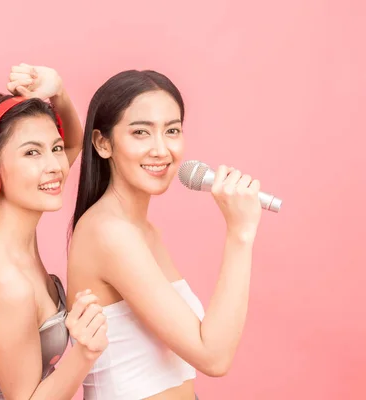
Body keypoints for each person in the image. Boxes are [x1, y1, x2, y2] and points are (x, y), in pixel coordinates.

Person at [66, 69, 264, 400]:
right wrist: (240, 233)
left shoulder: (142, 231)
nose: (161, 150)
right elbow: (213, 357)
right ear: (103, 143)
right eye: (141, 132)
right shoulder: (109, 233)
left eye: (171, 130)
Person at [0, 63, 108, 400]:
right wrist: (85, 353)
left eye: (55, 148)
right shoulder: (5, 284)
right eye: (32, 152)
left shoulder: (8, 228)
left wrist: (58, 91)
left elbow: (74, 144)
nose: (55, 166)